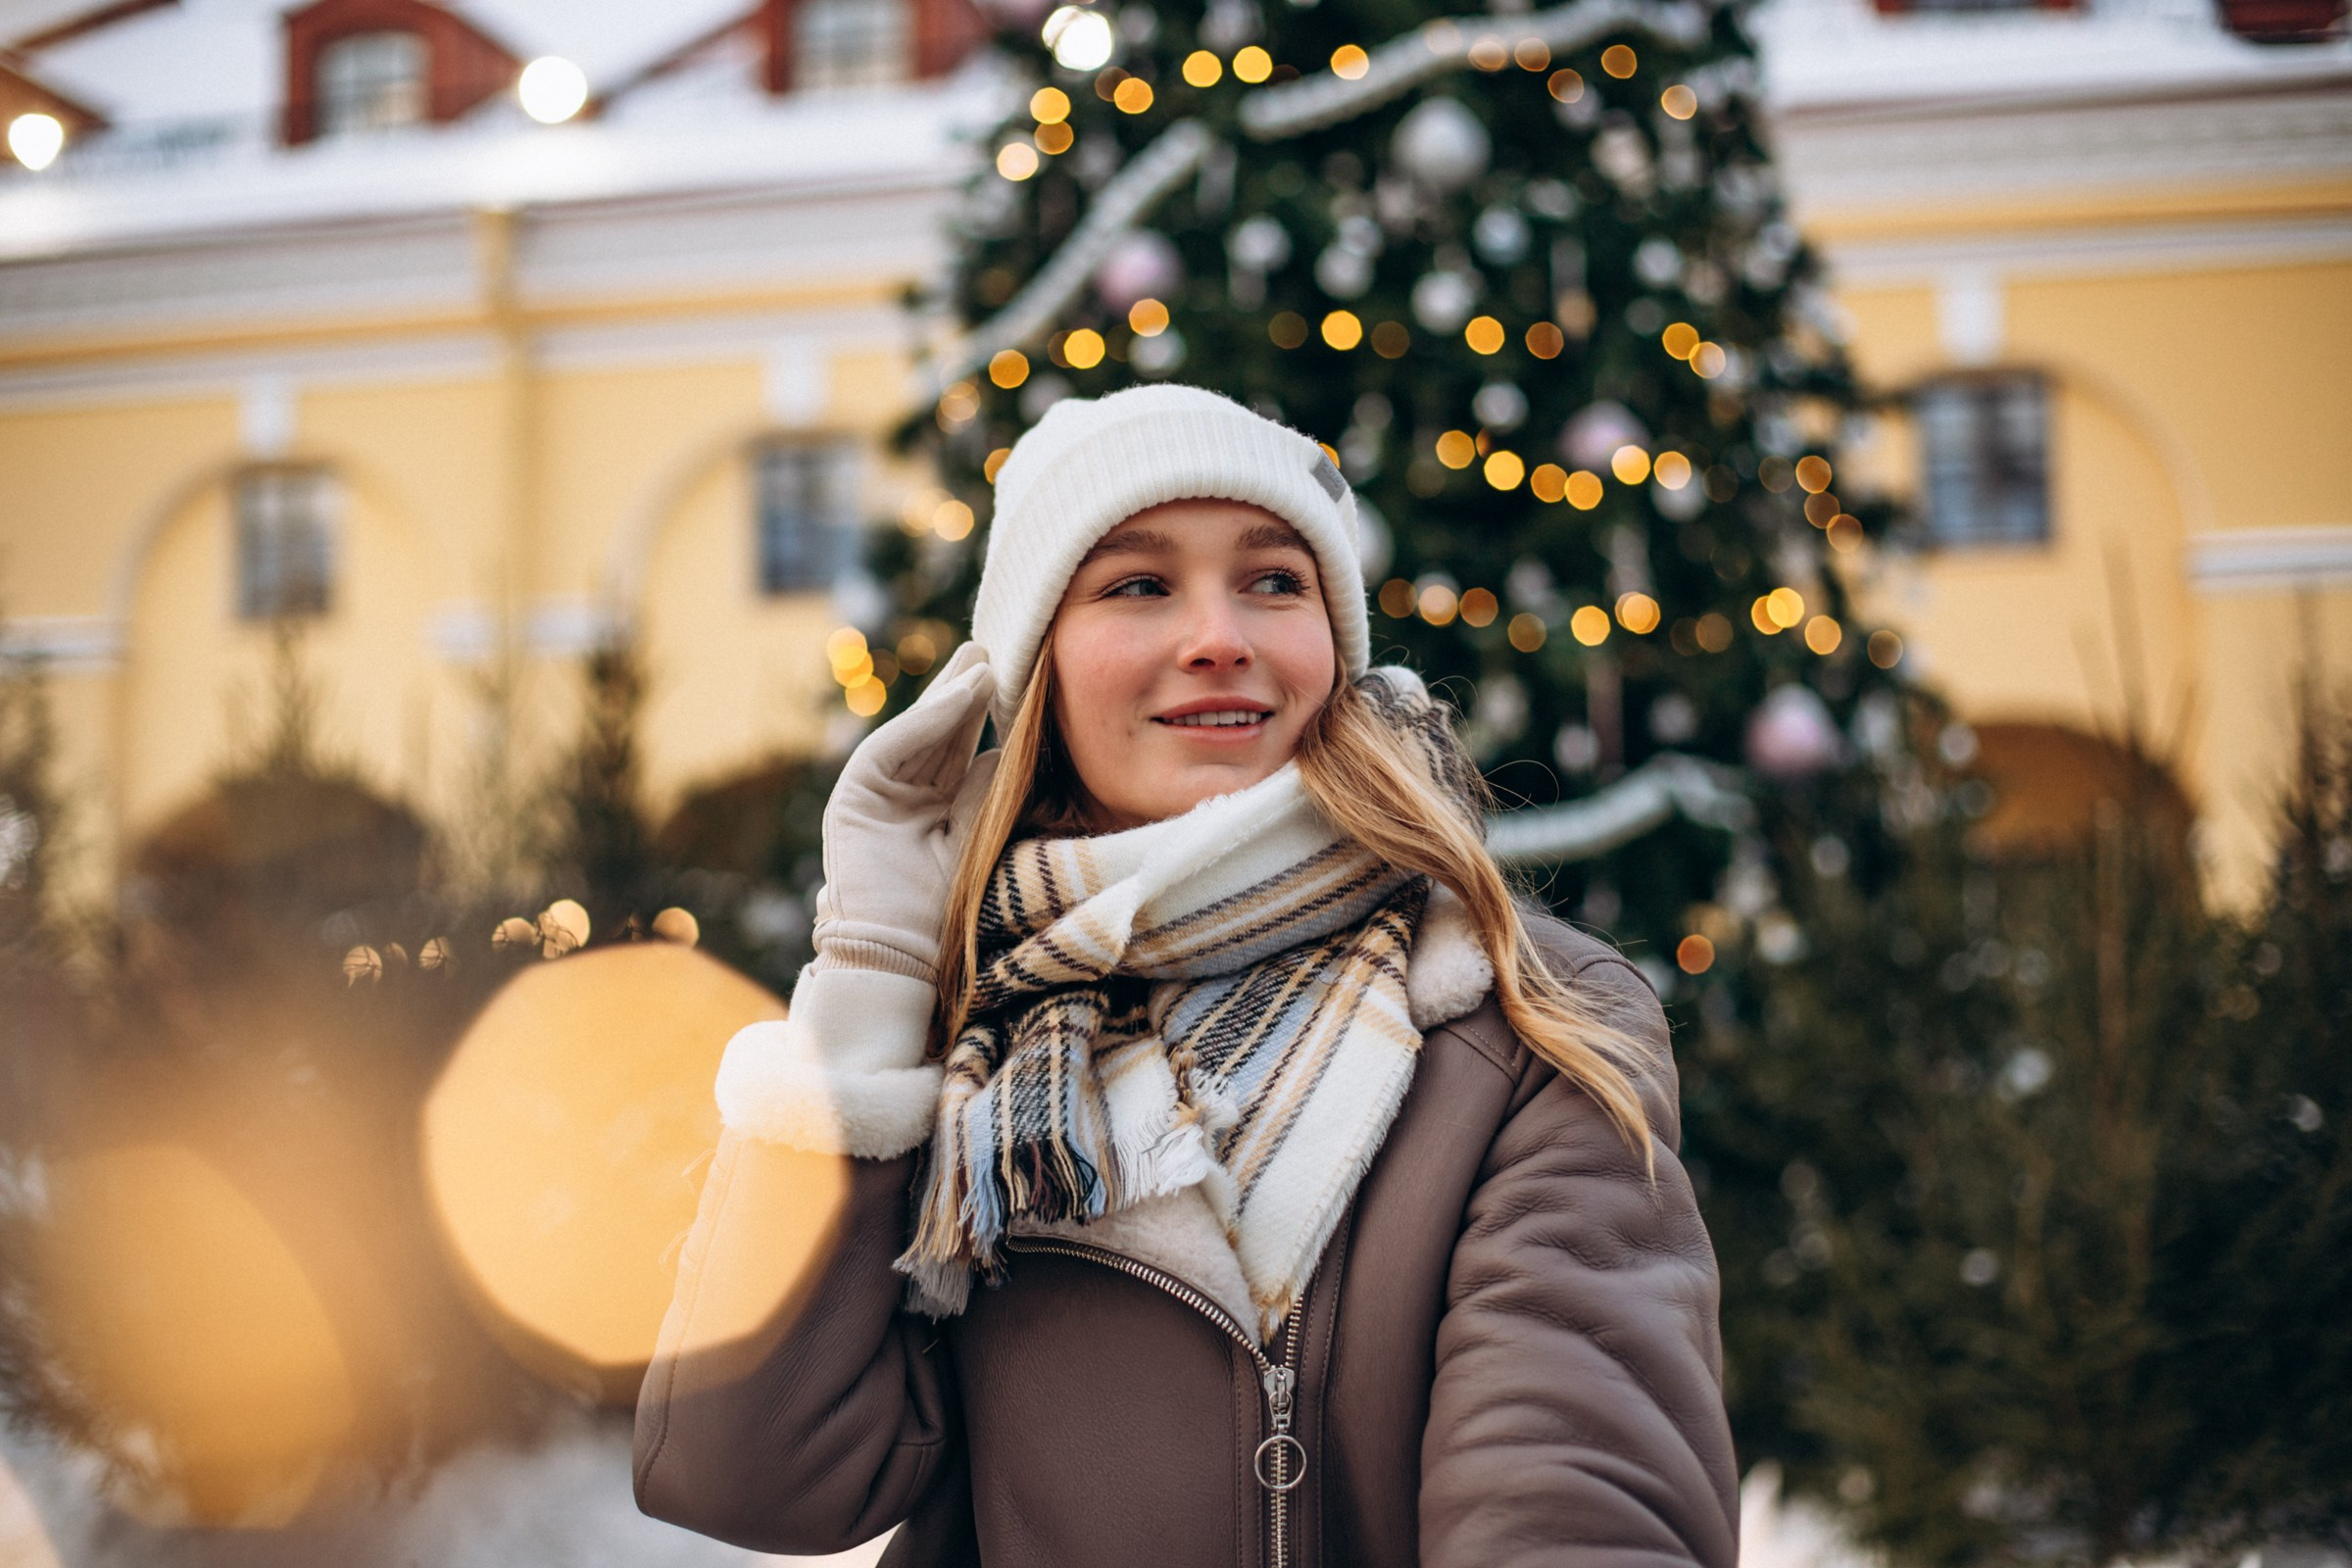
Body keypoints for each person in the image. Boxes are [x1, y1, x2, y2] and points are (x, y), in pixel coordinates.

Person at [633, 384, 1739, 1567]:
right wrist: (870, 978)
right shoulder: (967, 1048)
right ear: (1032, 670)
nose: (1221, 635)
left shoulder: (1515, 1012)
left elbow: (1577, 1495)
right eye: (1138, 584)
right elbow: (744, 1475)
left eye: (1275, 580)